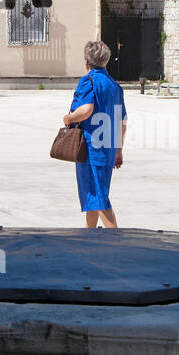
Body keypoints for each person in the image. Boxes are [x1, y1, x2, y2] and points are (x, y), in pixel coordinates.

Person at [63, 39, 126, 229]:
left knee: (99, 198)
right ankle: (89, 234)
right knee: (94, 193)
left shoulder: (88, 81)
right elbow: (122, 122)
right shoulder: (115, 87)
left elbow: (86, 109)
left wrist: (69, 118)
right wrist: (118, 150)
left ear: (86, 62)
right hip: (107, 148)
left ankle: (115, 239)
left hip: (91, 149)